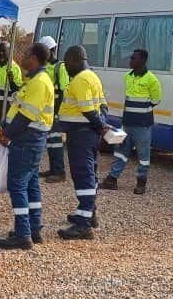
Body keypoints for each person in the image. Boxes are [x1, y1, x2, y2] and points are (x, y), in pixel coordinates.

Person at [0, 43, 55, 250]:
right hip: (28, 139)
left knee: (17, 185)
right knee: (31, 184)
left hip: (28, 140)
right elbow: (16, 109)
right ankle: (33, 228)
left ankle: (23, 234)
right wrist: (5, 126)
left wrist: (6, 134)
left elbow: (25, 116)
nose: (22, 56)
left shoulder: (39, 82)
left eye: (27, 54)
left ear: (35, 58)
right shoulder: (32, 80)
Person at [56, 46, 109, 240]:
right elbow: (103, 105)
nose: (65, 67)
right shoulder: (93, 76)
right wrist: (101, 124)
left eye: (66, 62)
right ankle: (88, 212)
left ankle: (83, 225)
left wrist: (100, 126)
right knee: (91, 173)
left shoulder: (80, 80)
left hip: (81, 134)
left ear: (74, 59)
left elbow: (87, 110)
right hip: (89, 134)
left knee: (83, 175)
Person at [102, 49, 161, 195]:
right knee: (120, 151)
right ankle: (112, 179)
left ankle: (141, 183)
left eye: (133, 58)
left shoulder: (152, 80)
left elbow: (156, 100)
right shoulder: (128, 77)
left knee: (143, 156)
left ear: (142, 60)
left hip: (143, 126)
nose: (131, 60)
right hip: (127, 123)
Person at [38, 35, 69, 184]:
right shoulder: (43, 67)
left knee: (56, 141)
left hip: (55, 111)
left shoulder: (60, 67)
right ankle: (53, 169)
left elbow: (63, 91)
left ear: (51, 50)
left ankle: (60, 172)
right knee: (50, 142)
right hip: (46, 110)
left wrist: (55, 112)